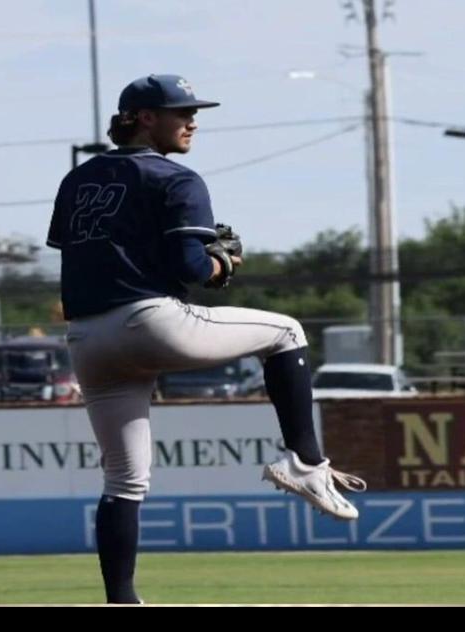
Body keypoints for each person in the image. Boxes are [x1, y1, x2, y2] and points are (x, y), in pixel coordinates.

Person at [45, 74, 366, 604]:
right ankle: (306, 464)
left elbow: (85, 251)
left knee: (124, 481)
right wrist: (220, 262)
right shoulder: (177, 179)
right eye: (181, 112)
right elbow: (190, 268)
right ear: (145, 117)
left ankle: (120, 600)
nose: (192, 121)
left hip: (87, 339)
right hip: (148, 322)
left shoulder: (78, 179)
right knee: (287, 332)